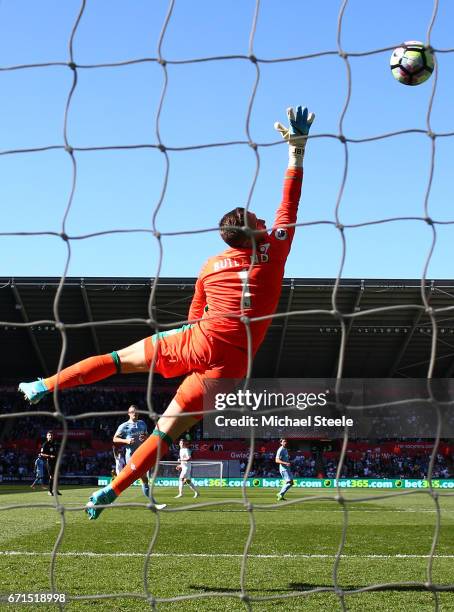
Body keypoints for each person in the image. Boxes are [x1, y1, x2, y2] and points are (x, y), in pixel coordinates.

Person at [18, 104, 315, 519]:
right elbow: (290, 202)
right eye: (257, 218)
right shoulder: (275, 250)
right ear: (252, 233)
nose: (263, 218)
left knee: (117, 360)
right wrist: (296, 151)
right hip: (229, 368)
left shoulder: (211, 265)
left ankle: (44, 384)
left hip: (197, 339)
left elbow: (195, 310)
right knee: (164, 431)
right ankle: (113, 491)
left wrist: (188, 343)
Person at [113, 405, 167, 510]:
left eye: (136, 412)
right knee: (128, 480)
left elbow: (148, 437)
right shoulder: (124, 426)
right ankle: (106, 497)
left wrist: (146, 437)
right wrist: (126, 441)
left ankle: (154, 503)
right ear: (129, 413)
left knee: (143, 480)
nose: (135, 413)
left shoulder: (142, 424)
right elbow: (115, 439)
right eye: (132, 412)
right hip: (131, 457)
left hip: (141, 455)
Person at [39, 431, 61, 496]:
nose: (50, 437)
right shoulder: (45, 444)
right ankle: (50, 491)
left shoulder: (54, 443)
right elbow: (41, 454)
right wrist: (49, 456)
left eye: (51, 435)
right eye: (49, 435)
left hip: (55, 462)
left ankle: (55, 490)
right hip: (49, 462)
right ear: (47, 436)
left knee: (57, 476)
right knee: (52, 477)